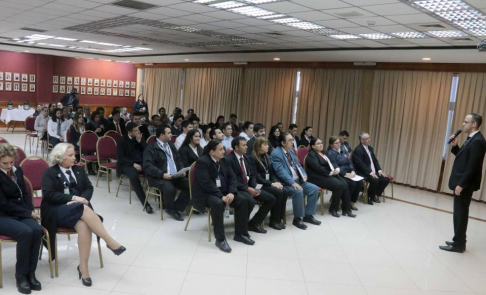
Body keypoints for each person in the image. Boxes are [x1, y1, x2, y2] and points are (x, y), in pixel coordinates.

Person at [41, 143, 126, 287]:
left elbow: (88, 187)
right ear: (60, 157)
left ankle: (83, 267)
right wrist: (73, 199)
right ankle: (109, 241)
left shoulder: (79, 170)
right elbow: (49, 195)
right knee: (82, 208)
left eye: (74, 154)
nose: (75, 157)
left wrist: (83, 199)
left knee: (84, 226)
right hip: (56, 209)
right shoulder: (50, 172)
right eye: (71, 155)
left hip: (79, 209)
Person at [193, 140, 254, 253]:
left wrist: (231, 192)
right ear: (212, 152)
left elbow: (232, 178)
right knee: (218, 203)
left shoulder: (224, 160)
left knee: (243, 200)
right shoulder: (202, 162)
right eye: (220, 149)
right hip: (207, 193)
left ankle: (240, 234)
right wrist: (221, 196)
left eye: (223, 149)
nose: (224, 151)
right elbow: (206, 183)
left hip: (225, 191)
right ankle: (220, 239)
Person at [0, 144, 43, 294]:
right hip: (2, 215)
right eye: (5, 163)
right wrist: (28, 214)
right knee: (25, 232)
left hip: (20, 212)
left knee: (37, 230)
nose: (9, 166)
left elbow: (25, 193)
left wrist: (29, 209)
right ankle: (21, 274)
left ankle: (31, 272)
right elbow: (3, 204)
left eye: (11, 162)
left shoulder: (17, 169)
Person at [440, 113, 486, 253]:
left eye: (466, 122)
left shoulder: (478, 140)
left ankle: (459, 245)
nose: (462, 124)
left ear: (474, 124)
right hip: (463, 183)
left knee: (460, 213)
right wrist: (455, 146)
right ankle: (458, 240)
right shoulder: (472, 139)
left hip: (465, 185)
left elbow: (472, 166)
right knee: (459, 213)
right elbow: (464, 158)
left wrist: (461, 184)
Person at [226, 137, 276, 234]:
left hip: (249, 187)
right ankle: (242, 228)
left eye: (246, 145)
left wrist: (254, 187)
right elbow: (232, 180)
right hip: (237, 188)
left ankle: (253, 223)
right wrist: (247, 189)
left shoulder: (246, 158)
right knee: (250, 201)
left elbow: (252, 176)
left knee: (271, 198)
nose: (246, 147)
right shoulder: (228, 160)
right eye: (244, 145)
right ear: (236, 147)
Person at [271, 133, 320, 229]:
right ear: (282, 143)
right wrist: (293, 183)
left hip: (298, 180)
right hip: (285, 183)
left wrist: (304, 175)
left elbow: (298, 165)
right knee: (298, 192)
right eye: (289, 140)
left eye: (292, 140)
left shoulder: (291, 151)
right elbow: (281, 172)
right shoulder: (276, 154)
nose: (292, 142)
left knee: (314, 189)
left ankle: (308, 215)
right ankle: (297, 219)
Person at [143, 125, 190, 221]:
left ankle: (175, 208)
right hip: (158, 177)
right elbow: (148, 166)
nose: (171, 135)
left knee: (190, 185)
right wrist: (162, 174)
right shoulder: (151, 148)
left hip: (174, 175)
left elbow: (178, 159)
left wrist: (181, 170)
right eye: (169, 133)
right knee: (170, 188)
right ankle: (170, 208)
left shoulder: (171, 145)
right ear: (161, 135)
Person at [306, 138, 356, 218]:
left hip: (328, 174)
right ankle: (333, 209)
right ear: (313, 146)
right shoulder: (311, 155)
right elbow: (318, 168)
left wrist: (337, 169)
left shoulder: (324, 152)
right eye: (318, 143)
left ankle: (346, 209)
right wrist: (330, 173)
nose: (321, 145)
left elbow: (333, 161)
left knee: (345, 184)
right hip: (317, 177)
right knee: (339, 185)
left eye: (321, 143)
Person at [250, 137, 287, 230]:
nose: (268, 146)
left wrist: (275, 182)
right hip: (259, 184)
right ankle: (274, 221)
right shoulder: (253, 158)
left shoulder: (266, 156)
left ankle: (279, 218)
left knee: (284, 191)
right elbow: (256, 177)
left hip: (268, 182)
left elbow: (272, 173)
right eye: (265, 145)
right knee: (278, 192)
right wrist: (271, 184)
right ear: (259, 146)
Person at [116, 122, 153, 213]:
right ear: (129, 132)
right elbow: (120, 157)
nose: (138, 132)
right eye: (135, 131)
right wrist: (133, 164)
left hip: (141, 163)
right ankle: (145, 203)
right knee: (133, 176)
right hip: (127, 164)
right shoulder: (122, 140)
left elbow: (148, 151)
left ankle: (160, 197)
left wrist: (140, 142)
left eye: (138, 130)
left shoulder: (140, 138)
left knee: (152, 171)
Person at [352, 132, 390, 205]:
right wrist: (370, 172)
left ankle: (374, 195)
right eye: (367, 139)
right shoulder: (358, 149)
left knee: (386, 179)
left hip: (372, 171)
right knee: (375, 180)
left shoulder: (370, 148)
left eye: (369, 138)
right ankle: (369, 197)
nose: (369, 140)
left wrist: (379, 170)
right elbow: (360, 164)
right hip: (363, 172)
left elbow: (375, 160)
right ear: (362, 140)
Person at [327, 136, 363, 211]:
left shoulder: (342, 150)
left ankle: (351, 202)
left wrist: (352, 170)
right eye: (336, 143)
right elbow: (334, 167)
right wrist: (346, 174)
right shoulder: (330, 153)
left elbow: (349, 161)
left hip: (348, 172)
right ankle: (345, 203)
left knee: (359, 182)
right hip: (339, 173)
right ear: (331, 145)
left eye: (339, 142)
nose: (339, 144)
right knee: (352, 184)